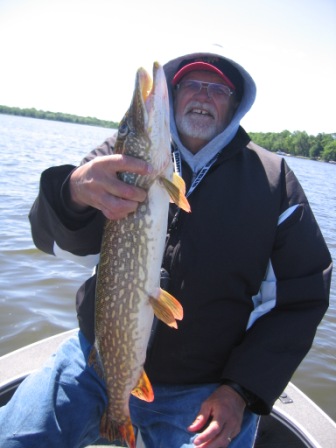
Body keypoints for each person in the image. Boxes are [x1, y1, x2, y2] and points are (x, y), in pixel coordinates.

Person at [0, 45, 332, 448]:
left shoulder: (273, 181)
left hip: (203, 389)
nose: (203, 95)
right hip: (97, 358)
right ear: (175, 96)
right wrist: (71, 191)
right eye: (192, 84)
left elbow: (303, 296)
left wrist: (241, 389)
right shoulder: (119, 157)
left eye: (218, 89)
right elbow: (53, 238)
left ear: (235, 105)